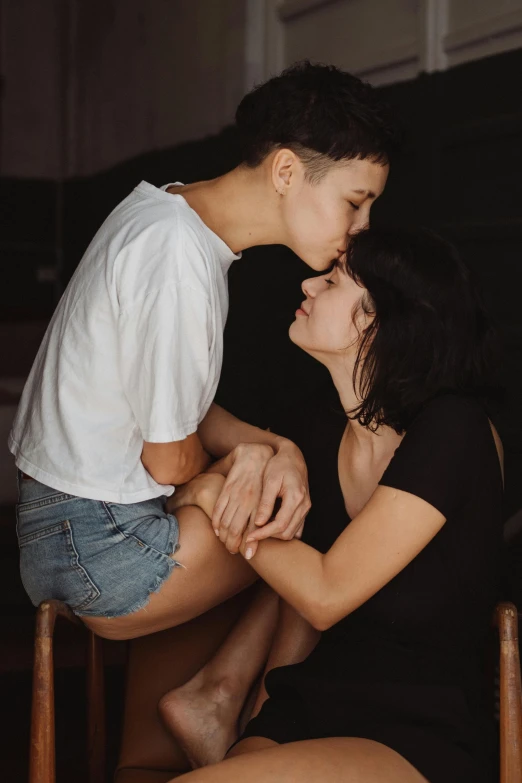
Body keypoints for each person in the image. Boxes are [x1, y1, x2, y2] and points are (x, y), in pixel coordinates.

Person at [9, 62, 398, 642]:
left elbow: (173, 413)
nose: (362, 227)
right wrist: (215, 479)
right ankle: (228, 702)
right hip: (100, 548)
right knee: (306, 525)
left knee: (271, 484)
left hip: (70, 529)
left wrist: (272, 448)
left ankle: (203, 704)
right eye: (354, 203)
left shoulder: (173, 220)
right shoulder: (177, 258)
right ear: (287, 171)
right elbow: (168, 461)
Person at [161, 227, 503, 783]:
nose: (308, 284)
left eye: (333, 280)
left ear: (376, 320)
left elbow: (323, 593)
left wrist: (210, 490)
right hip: (307, 708)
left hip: (415, 732)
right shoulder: (317, 430)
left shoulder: (453, 429)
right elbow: (292, 597)